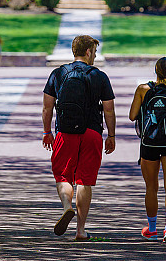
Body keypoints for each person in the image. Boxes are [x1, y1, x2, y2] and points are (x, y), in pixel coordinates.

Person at [42, 35, 116, 241]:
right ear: (88, 52)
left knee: (63, 176)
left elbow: (47, 107)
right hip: (92, 133)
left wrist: (47, 131)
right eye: (94, 52)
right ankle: (80, 230)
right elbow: (109, 110)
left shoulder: (58, 74)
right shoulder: (99, 76)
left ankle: (67, 206)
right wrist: (111, 135)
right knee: (85, 180)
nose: (95, 56)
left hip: (65, 132)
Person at [128, 57, 166, 243]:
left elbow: (132, 116)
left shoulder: (143, 89)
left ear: (155, 70)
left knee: (151, 188)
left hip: (149, 144)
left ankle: (152, 229)